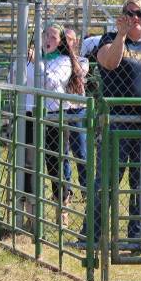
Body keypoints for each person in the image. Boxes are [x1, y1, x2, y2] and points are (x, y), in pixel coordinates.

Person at [83, 0, 141, 244]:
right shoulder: (110, 39)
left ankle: (138, 236)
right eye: (129, 13)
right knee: (107, 178)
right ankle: (93, 235)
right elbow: (109, 63)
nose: (135, 18)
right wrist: (121, 35)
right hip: (117, 119)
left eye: (140, 13)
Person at [18, 23, 83, 222]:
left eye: (53, 37)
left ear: (61, 42)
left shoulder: (64, 61)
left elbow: (53, 83)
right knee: (28, 162)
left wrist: (38, 62)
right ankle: (31, 213)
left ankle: (61, 208)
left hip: (55, 116)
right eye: (45, 35)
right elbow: (14, 76)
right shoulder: (28, 58)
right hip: (30, 114)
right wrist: (25, 60)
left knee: (55, 163)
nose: (48, 40)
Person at [62, 28, 90, 192]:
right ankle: (66, 188)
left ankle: (86, 187)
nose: (67, 43)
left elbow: (78, 72)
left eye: (70, 39)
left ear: (76, 42)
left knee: (80, 151)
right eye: (64, 39)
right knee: (62, 152)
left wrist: (70, 54)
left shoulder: (82, 60)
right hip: (61, 109)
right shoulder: (56, 60)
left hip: (77, 109)